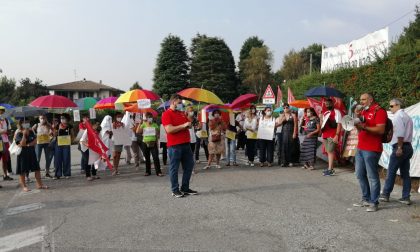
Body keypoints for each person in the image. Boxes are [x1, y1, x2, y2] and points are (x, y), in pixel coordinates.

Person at [353, 93, 387, 212]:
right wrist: (357, 123)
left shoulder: (379, 111)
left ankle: (374, 202)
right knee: (359, 174)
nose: (361, 102)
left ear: (371, 100)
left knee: (372, 176)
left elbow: (381, 129)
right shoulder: (364, 111)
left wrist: (364, 128)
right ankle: (366, 199)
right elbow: (359, 129)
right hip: (361, 147)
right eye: (360, 99)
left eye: (364, 99)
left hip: (372, 148)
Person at [161, 94, 197, 198]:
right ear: (174, 102)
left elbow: (187, 126)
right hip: (174, 146)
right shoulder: (166, 114)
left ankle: (185, 188)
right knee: (174, 168)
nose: (181, 104)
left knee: (189, 166)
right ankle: (175, 190)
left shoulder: (181, 113)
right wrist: (183, 126)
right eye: (180, 102)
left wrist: (191, 123)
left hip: (186, 144)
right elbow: (169, 129)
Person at [379, 98, 414, 205]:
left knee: (391, 171)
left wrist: (399, 147)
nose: (390, 108)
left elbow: (400, 133)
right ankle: (406, 197)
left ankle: (385, 194)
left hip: (401, 147)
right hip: (408, 147)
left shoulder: (398, 116)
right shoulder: (407, 116)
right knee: (405, 173)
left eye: (391, 106)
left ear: (398, 105)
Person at [15, 120, 48, 192]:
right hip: (22, 155)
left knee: (37, 169)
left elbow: (35, 141)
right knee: (22, 171)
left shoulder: (31, 132)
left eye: (27, 122)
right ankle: (24, 186)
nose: (26, 124)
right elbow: (21, 144)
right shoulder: (19, 133)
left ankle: (40, 184)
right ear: (21, 124)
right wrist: (24, 135)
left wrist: (28, 144)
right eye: (24, 122)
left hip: (32, 153)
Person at [137, 112, 163, 177]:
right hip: (145, 143)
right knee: (147, 158)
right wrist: (140, 123)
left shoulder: (155, 124)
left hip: (153, 143)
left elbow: (158, 134)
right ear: (146, 118)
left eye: (151, 117)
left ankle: (158, 172)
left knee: (156, 157)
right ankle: (147, 171)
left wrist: (157, 137)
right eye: (148, 117)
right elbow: (137, 132)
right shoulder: (143, 124)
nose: (150, 118)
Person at [320, 98, 342, 176]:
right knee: (329, 151)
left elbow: (339, 124)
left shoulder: (336, 112)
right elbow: (322, 124)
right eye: (326, 104)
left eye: (329, 104)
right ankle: (330, 168)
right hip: (325, 134)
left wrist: (337, 135)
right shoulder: (325, 112)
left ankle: (330, 169)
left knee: (330, 151)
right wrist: (320, 117)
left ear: (332, 103)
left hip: (332, 134)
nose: (327, 105)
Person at [54, 114, 73, 179]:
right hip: (58, 144)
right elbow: (54, 134)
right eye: (61, 118)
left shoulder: (70, 126)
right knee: (58, 159)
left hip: (66, 144)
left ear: (67, 119)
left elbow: (72, 135)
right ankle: (57, 174)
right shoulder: (57, 125)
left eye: (63, 118)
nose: (62, 119)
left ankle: (67, 173)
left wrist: (71, 141)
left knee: (66, 158)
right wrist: (56, 129)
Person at [0, 107, 13, 181]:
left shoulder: (7, 120)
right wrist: (4, 131)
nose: (1, 114)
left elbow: (9, 130)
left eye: (3, 112)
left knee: (5, 160)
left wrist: (9, 131)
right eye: (0, 112)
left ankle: (5, 175)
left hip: (6, 141)